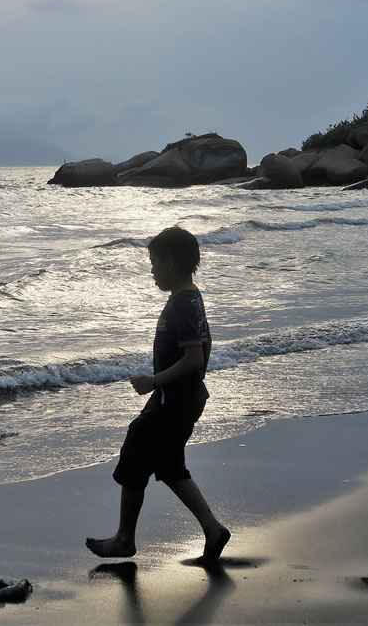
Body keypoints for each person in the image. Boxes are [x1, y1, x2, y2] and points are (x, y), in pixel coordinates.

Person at [86, 226, 230, 562]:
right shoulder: (191, 298)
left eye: (154, 263)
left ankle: (125, 539)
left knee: (136, 449)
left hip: (173, 400)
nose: (151, 271)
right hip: (185, 398)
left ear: (170, 262)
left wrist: (154, 380)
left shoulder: (182, 304)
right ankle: (212, 528)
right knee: (168, 464)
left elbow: (194, 358)